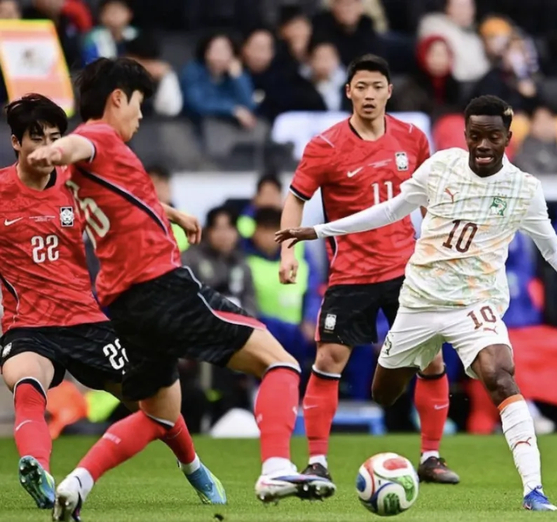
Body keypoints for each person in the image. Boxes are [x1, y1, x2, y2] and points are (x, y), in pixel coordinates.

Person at [276, 95, 557, 511]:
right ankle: (417, 398)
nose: (483, 145)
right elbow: (391, 210)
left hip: (474, 304)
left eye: (493, 137)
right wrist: (319, 231)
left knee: (500, 374)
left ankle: (534, 490)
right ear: (465, 135)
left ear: (508, 138)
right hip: (419, 302)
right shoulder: (440, 167)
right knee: (383, 393)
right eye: (475, 136)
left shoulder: (524, 189)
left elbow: (554, 250)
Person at [25, 58, 335, 521]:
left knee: (159, 413)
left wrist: (171, 213)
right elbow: (78, 144)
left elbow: (122, 194)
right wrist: (54, 151)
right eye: (138, 103)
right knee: (281, 362)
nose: (141, 115)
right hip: (161, 287)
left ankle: (77, 483)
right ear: (117, 98)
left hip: (123, 305)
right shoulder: (99, 137)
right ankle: (276, 468)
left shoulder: (88, 170)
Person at [0, 94, 224, 510]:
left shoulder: (73, 181)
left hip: (86, 320)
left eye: (54, 138)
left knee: (154, 402)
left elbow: (126, 199)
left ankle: (193, 466)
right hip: (27, 324)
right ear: (16, 142)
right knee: (26, 383)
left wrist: (175, 214)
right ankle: (38, 469)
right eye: (37, 138)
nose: (47, 148)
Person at [279, 54, 458, 484]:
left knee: (431, 359)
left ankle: (431, 457)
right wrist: (288, 253)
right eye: (361, 86)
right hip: (351, 272)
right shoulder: (325, 146)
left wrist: (442, 246)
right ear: (349, 92)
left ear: (389, 91)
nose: (369, 95)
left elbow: (430, 197)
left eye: (377, 86)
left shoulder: (412, 138)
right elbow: (296, 199)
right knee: (329, 358)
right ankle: (317, 462)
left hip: (406, 270)